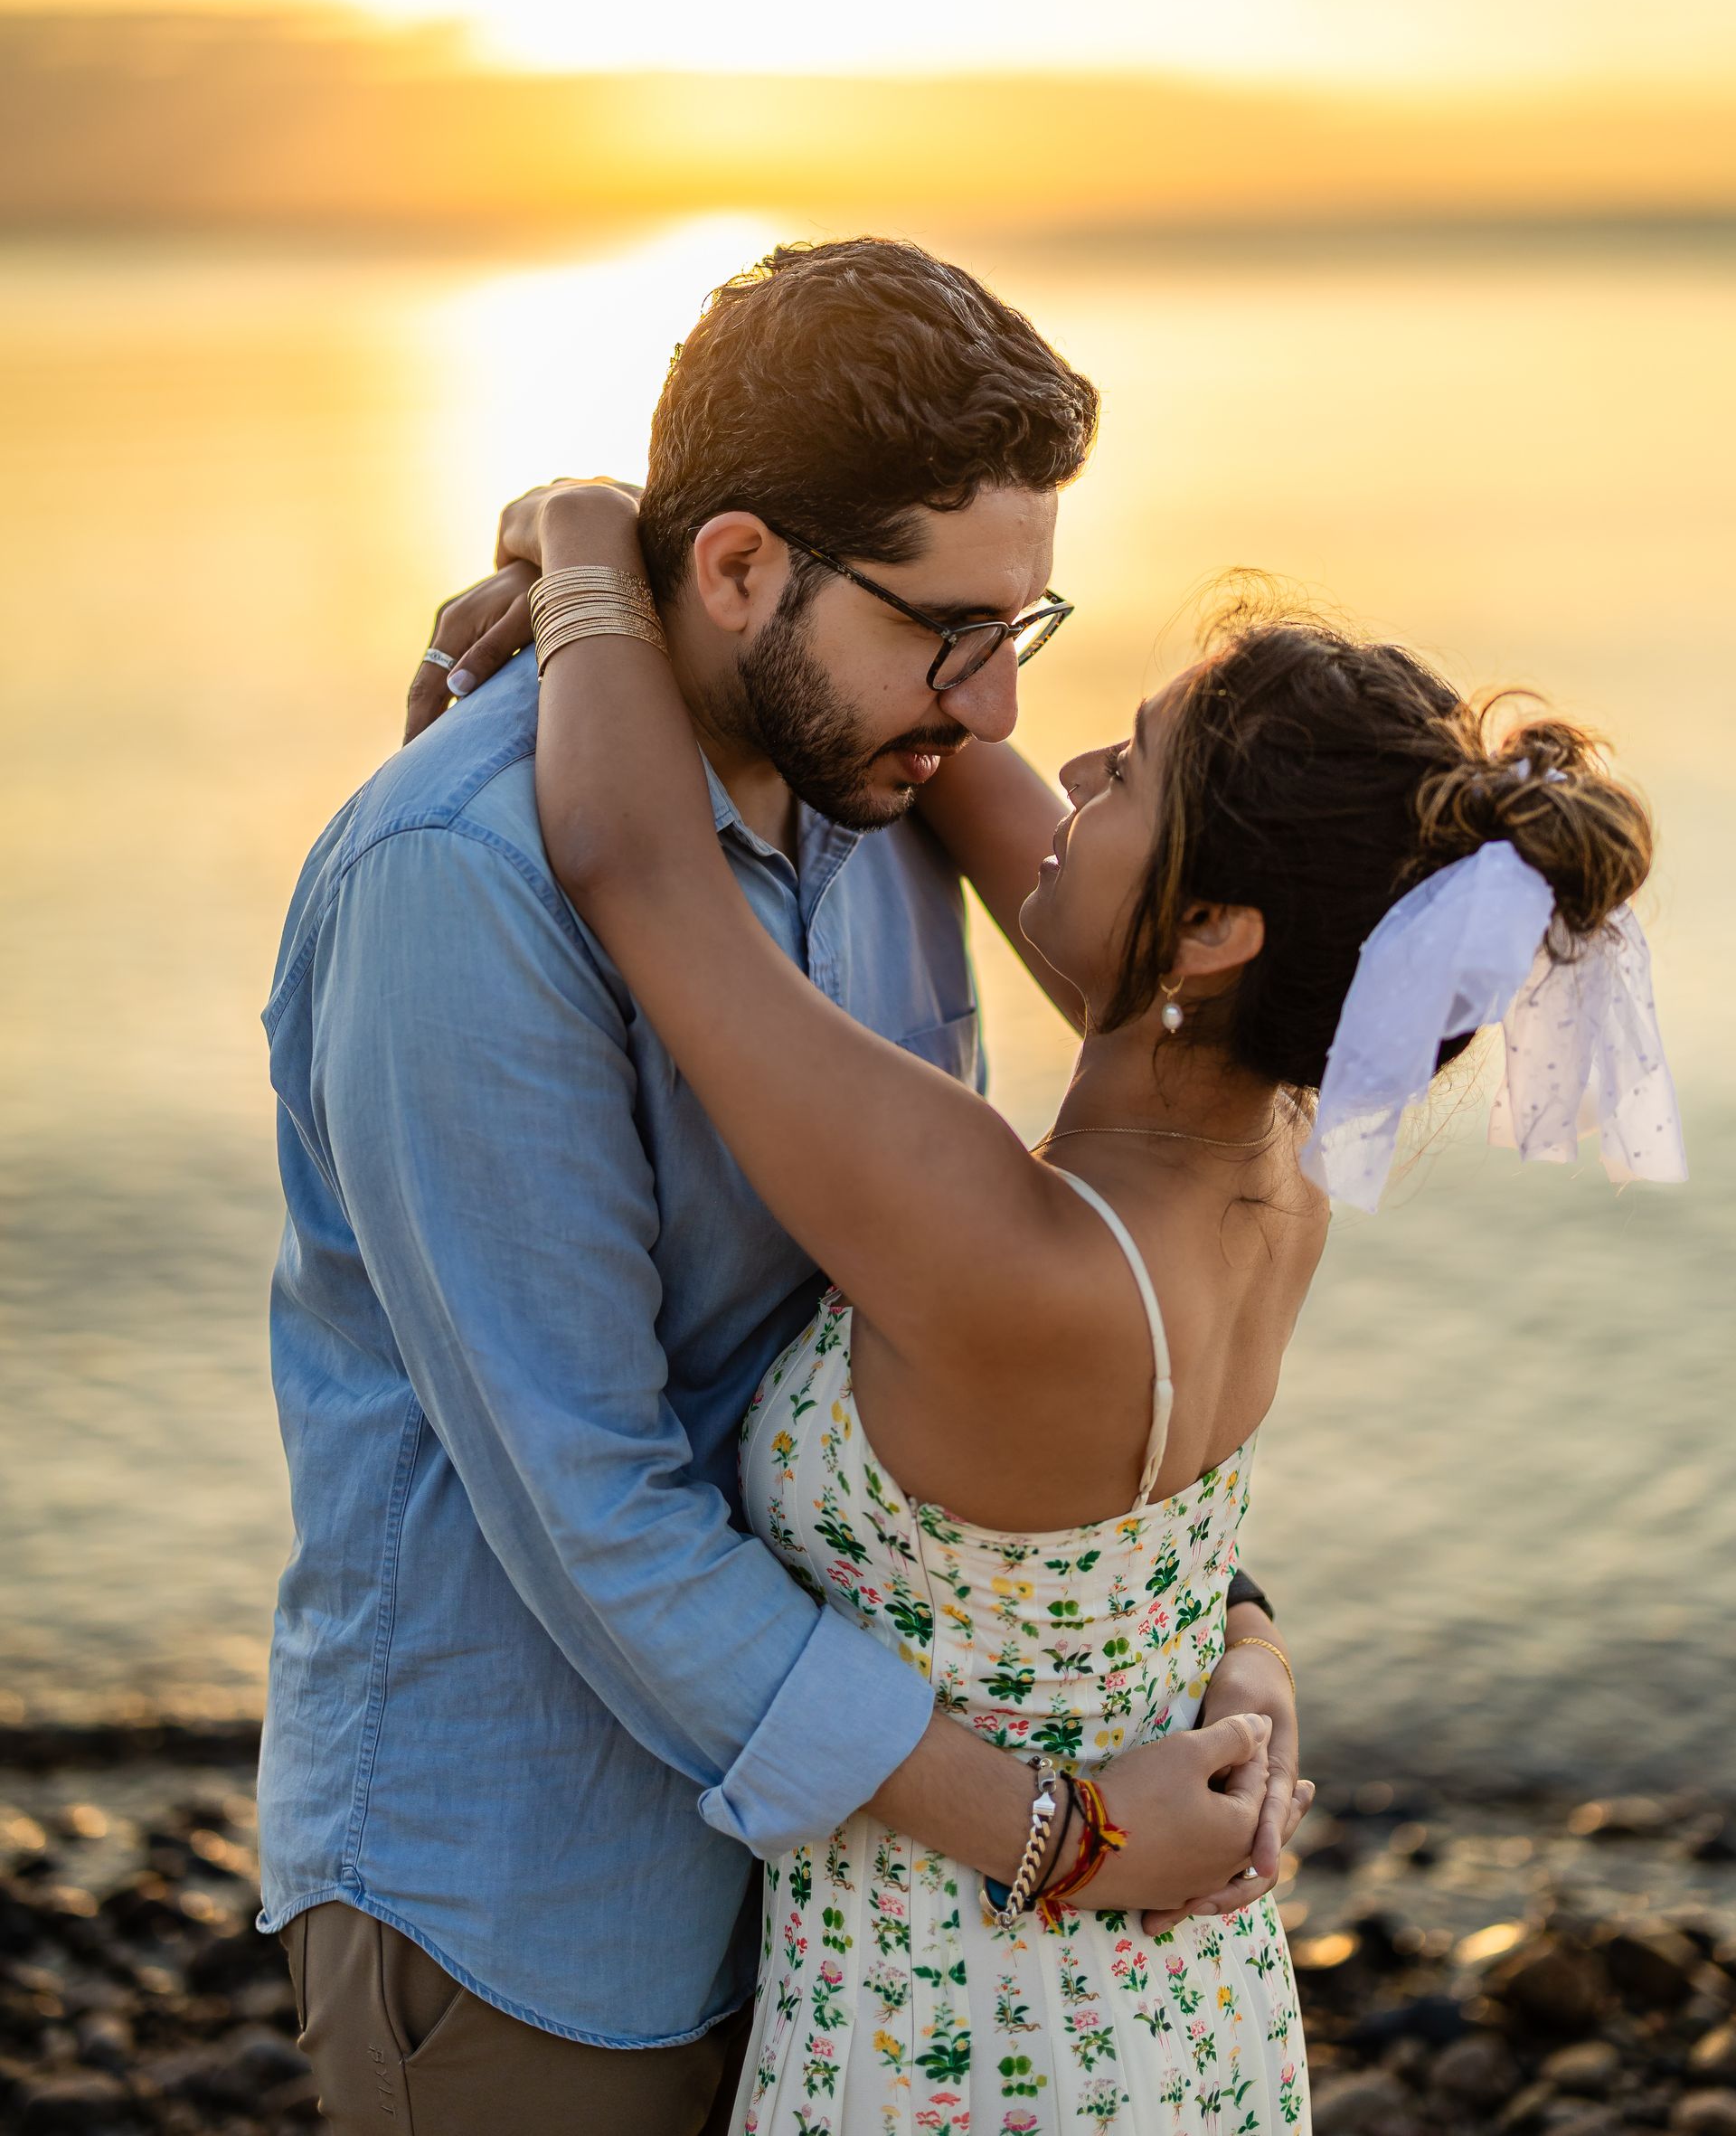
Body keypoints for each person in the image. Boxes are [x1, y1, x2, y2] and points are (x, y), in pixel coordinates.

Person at [258, 241, 1306, 2136]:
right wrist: (1053, 1832)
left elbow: (990, 1298)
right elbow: (590, 1502)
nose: (993, 711)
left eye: (1022, 632)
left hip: (862, 1915)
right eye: (948, 631)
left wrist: (1213, 1625)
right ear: (740, 567)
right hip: (546, 1902)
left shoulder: (883, 791)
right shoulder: (460, 882)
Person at [489, 470, 1675, 2133]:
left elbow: (633, 866)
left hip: (960, 2053)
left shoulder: (999, 1242)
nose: (1068, 766)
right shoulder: (1273, 1167)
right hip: (1181, 2019)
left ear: (1211, 929)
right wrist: (1250, 1649)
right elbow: (1006, 815)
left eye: (1130, 763)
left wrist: (590, 544)